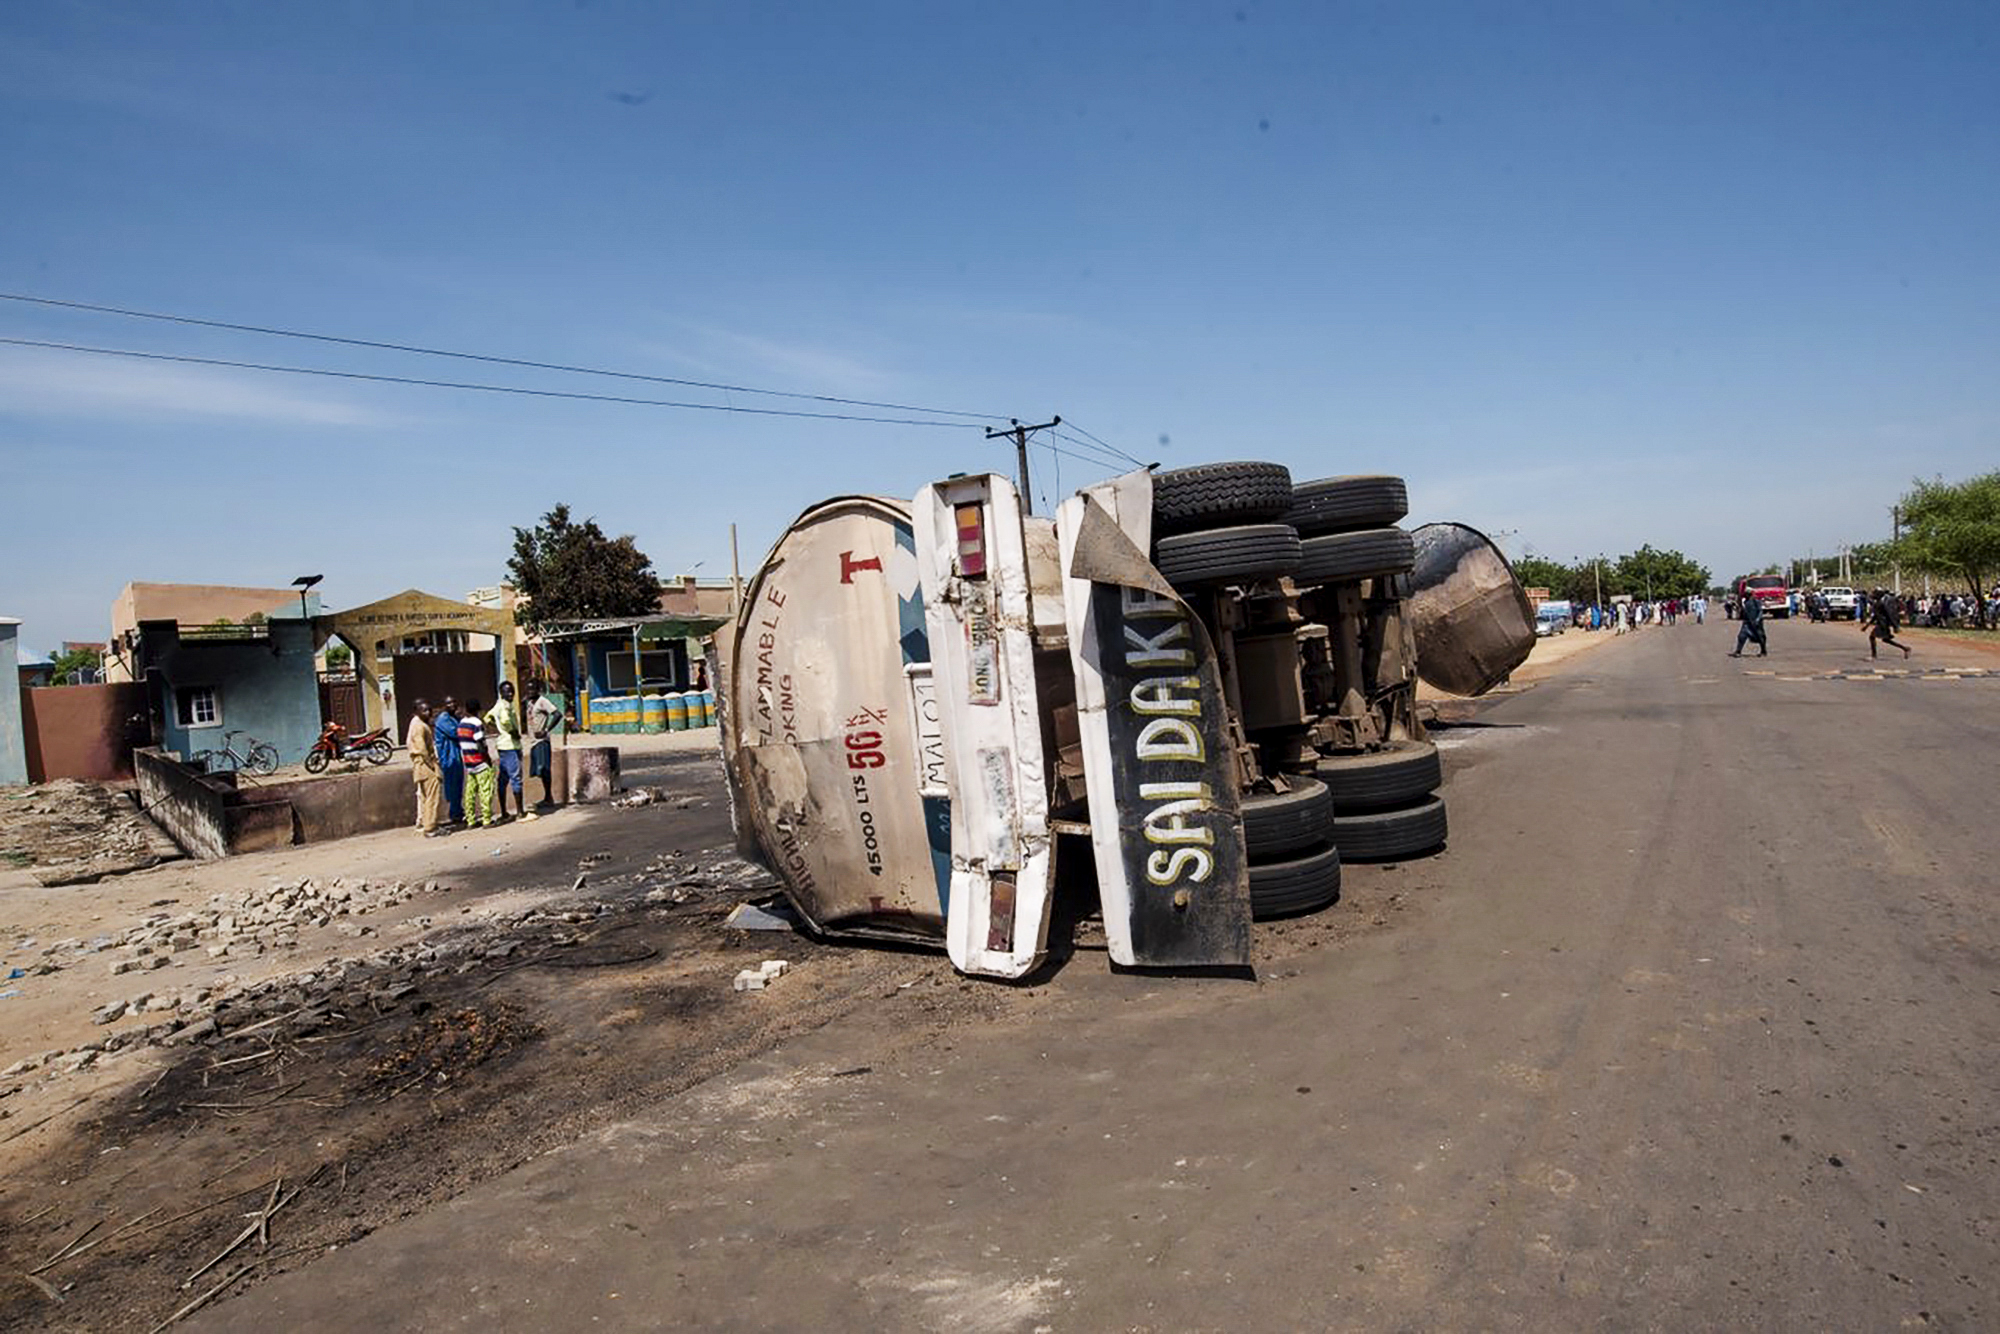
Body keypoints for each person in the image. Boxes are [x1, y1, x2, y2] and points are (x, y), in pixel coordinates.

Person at [486, 680, 527, 822]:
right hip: (510, 746)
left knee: (503, 779)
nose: (510, 694)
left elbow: (487, 717)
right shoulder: (504, 708)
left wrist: (497, 728)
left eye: (511, 691)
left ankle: (504, 812)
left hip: (502, 745)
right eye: (507, 691)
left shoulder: (499, 705)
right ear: (501, 693)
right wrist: (512, 732)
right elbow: (505, 721)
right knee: (516, 778)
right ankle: (520, 812)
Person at [457, 697, 497, 828]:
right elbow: (480, 744)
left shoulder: (461, 723)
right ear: (477, 710)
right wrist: (488, 759)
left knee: (470, 793)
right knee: (485, 791)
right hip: (479, 762)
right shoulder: (476, 724)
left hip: (468, 763)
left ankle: (471, 820)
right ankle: (486, 819)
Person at [407, 698, 445, 836]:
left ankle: (426, 822)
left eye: (429, 710)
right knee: (432, 796)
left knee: (425, 796)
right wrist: (433, 766)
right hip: (424, 764)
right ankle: (430, 827)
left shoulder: (418, 724)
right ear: (417, 712)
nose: (428, 712)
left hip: (420, 764)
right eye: (424, 710)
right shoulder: (419, 726)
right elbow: (423, 750)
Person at [525, 680, 562, 810]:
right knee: (538, 770)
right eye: (528, 689)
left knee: (544, 768)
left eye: (532, 689)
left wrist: (546, 730)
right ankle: (547, 796)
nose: (530, 692)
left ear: (538, 690)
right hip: (533, 741)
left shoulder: (543, 701)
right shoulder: (529, 703)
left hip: (542, 741)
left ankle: (548, 796)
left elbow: (557, 714)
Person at [433, 696, 464, 827]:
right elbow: (456, 733)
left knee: (458, 785)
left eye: (454, 702)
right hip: (448, 758)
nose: (452, 705)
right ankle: (455, 814)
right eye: (449, 703)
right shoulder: (443, 719)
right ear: (444, 705)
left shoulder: (452, 718)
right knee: (453, 786)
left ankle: (458, 812)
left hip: (455, 756)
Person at [1865, 588, 1911, 660]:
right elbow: (1875, 616)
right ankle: (1905, 648)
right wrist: (1867, 625)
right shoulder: (1877, 603)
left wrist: (1895, 626)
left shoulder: (1883, 603)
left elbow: (1890, 615)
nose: (1873, 595)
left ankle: (1873, 656)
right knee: (1886, 640)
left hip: (1883, 624)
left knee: (1872, 637)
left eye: (1875, 593)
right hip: (1881, 623)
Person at [1730, 588, 1767, 657]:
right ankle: (1738, 651)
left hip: (1756, 623)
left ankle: (1763, 651)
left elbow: (1760, 611)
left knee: (1760, 637)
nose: (1745, 595)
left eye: (1747, 593)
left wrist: (1757, 619)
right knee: (1741, 636)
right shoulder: (1745, 602)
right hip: (1747, 622)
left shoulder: (1756, 601)